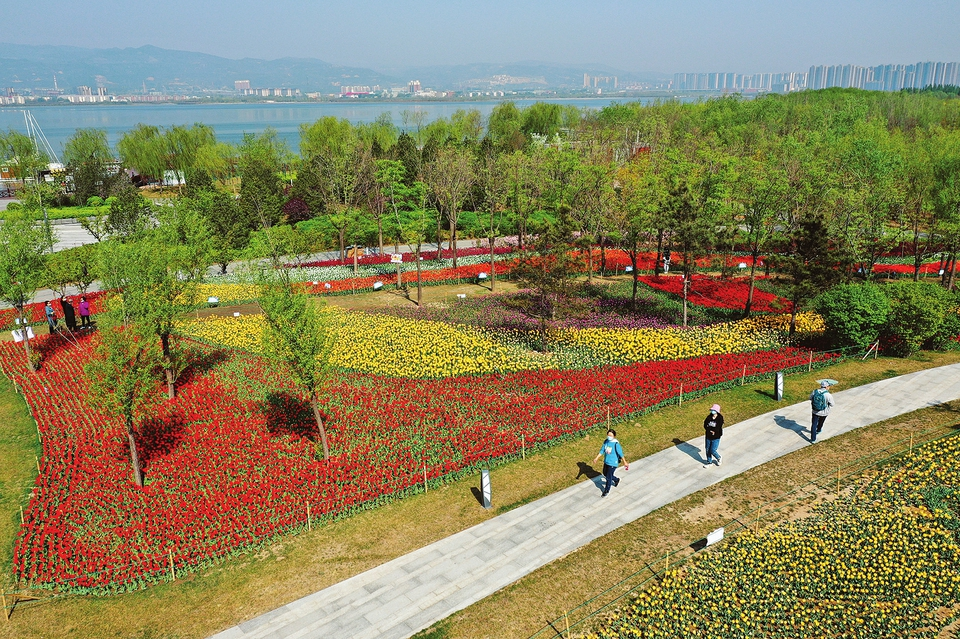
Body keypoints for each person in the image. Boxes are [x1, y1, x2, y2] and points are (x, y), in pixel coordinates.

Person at [593, 429, 628, 497]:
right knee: (605, 473)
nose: (609, 437)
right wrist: (596, 458)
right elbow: (602, 450)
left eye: (611, 435)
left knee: (608, 477)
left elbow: (620, 453)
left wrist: (625, 462)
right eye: (608, 435)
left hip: (613, 463)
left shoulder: (616, 444)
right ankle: (616, 480)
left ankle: (606, 490)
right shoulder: (606, 442)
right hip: (606, 461)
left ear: (614, 436)